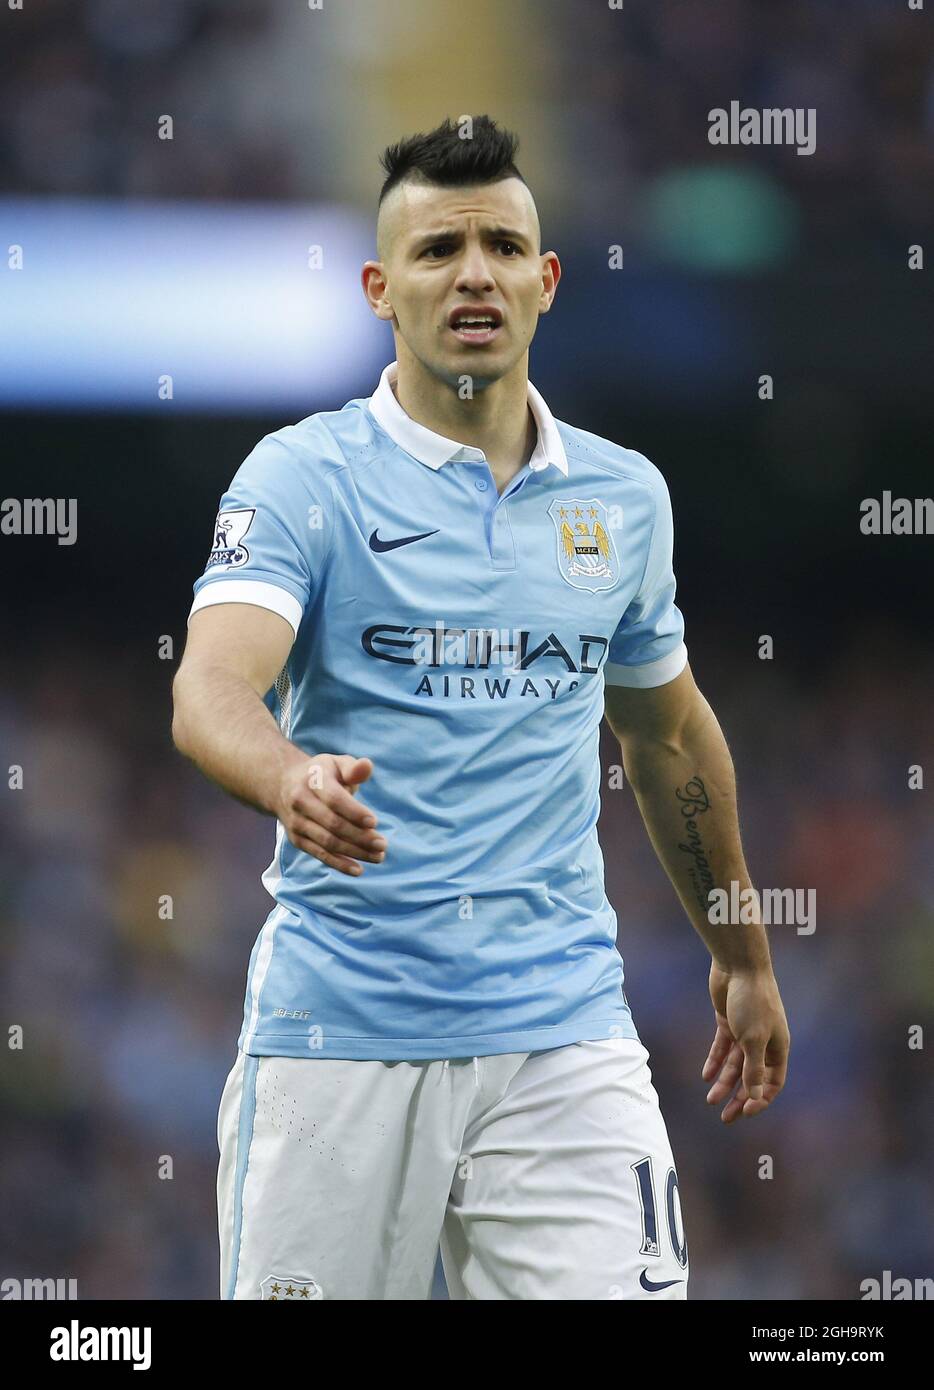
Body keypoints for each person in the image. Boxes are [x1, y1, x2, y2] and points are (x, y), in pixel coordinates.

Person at [172, 114, 790, 1301]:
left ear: (544, 281)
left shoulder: (623, 496)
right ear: (379, 288)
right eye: (438, 248)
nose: (474, 273)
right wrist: (287, 773)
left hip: (562, 1030)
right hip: (339, 1034)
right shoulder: (305, 476)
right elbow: (210, 686)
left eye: (502, 246)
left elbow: (664, 734)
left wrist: (744, 956)